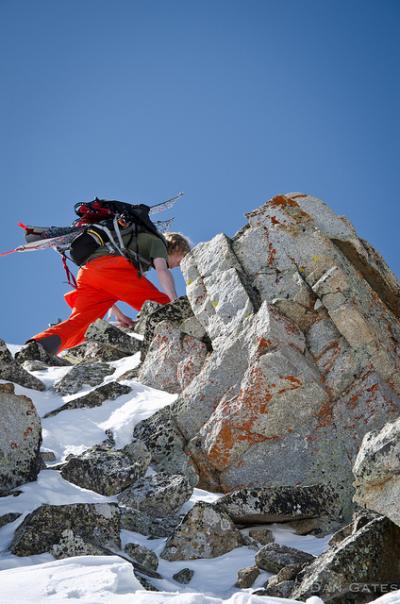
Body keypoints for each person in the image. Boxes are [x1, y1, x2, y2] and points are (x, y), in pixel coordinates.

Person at [23, 230, 191, 356]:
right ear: (176, 248)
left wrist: (119, 315)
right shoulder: (158, 243)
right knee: (161, 306)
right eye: (180, 259)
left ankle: (36, 347)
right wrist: (175, 302)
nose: (178, 265)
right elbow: (162, 271)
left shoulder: (137, 250)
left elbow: (113, 287)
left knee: (81, 326)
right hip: (110, 268)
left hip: (89, 272)